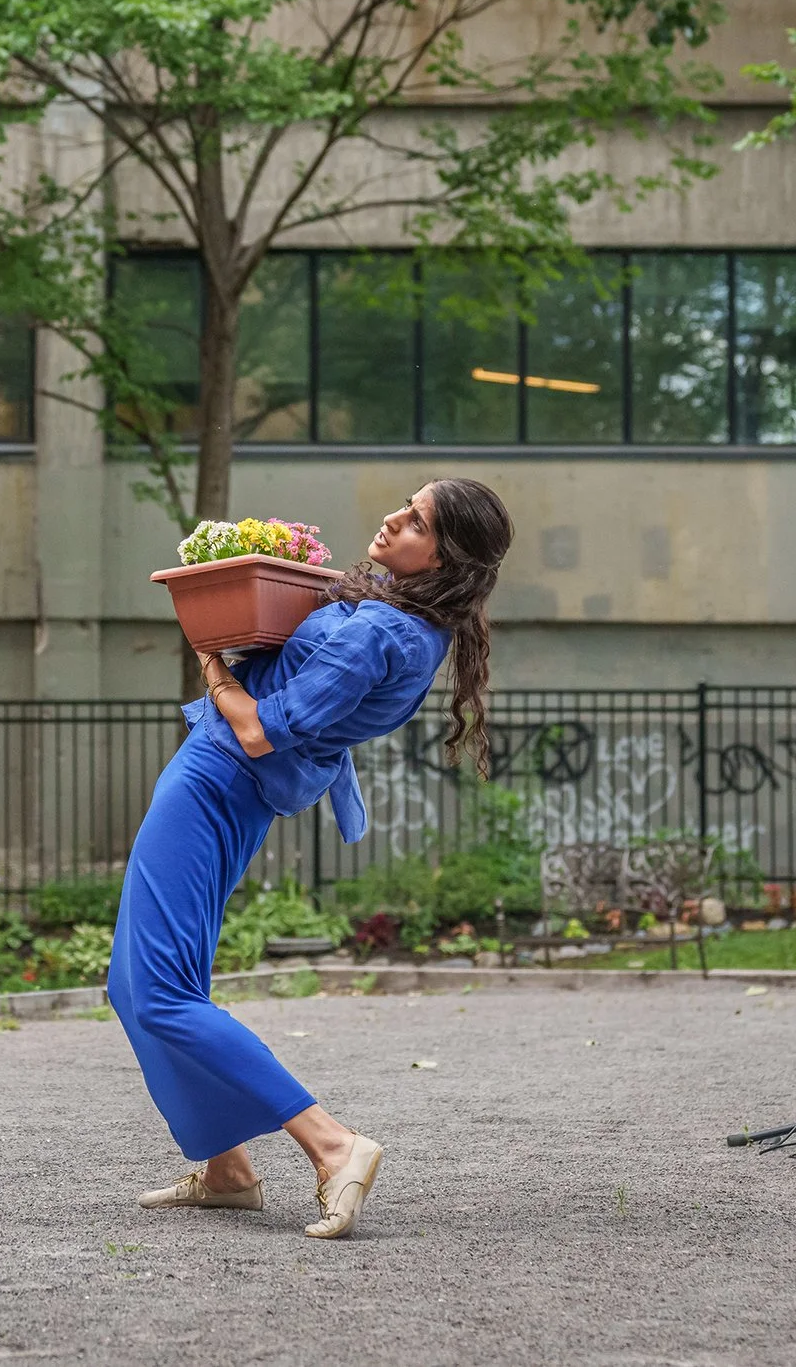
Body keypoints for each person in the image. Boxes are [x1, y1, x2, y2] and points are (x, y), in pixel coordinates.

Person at [109, 479, 514, 1240]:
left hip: (219, 775)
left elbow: (263, 730)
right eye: (406, 502)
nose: (395, 517)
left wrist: (213, 665)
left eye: (417, 519)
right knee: (139, 985)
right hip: (231, 782)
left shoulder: (383, 634)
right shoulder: (404, 620)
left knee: (158, 991)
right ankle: (228, 1170)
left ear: (446, 553)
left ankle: (333, 1145)